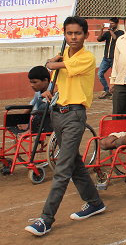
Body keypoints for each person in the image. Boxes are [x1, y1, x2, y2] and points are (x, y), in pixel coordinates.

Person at [26, 16, 105, 236]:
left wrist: (50, 64)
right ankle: (95, 202)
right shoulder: (63, 56)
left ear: (86, 35)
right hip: (57, 113)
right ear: (64, 34)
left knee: (62, 168)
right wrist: (49, 90)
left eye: (78, 33)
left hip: (74, 116)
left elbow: (59, 67)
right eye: (69, 33)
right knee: (74, 162)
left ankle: (46, 218)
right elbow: (57, 76)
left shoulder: (86, 57)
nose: (73, 37)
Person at [15, 66, 51, 132]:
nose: (31, 85)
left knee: (42, 104)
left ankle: (30, 129)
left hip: (51, 119)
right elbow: (31, 104)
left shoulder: (54, 89)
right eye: (31, 82)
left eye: (34, 82)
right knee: (37, 103)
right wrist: (20, 118)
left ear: (45, 80)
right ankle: (30, 126)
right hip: (41, 117)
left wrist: (29, 126)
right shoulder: (38, 92)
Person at [97, 17, 123, 99]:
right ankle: (107, 90)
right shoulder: (107, 33)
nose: (111, 24)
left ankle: (115, 92)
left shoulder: (120, 33)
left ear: (116, 24)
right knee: (100, 74)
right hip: (106, 58)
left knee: (116, 76)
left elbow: (116, 38)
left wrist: (110, 30)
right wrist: (102, 30)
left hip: (114, 58)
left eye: (112, 23)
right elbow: (99, 39)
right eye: (110, 23)